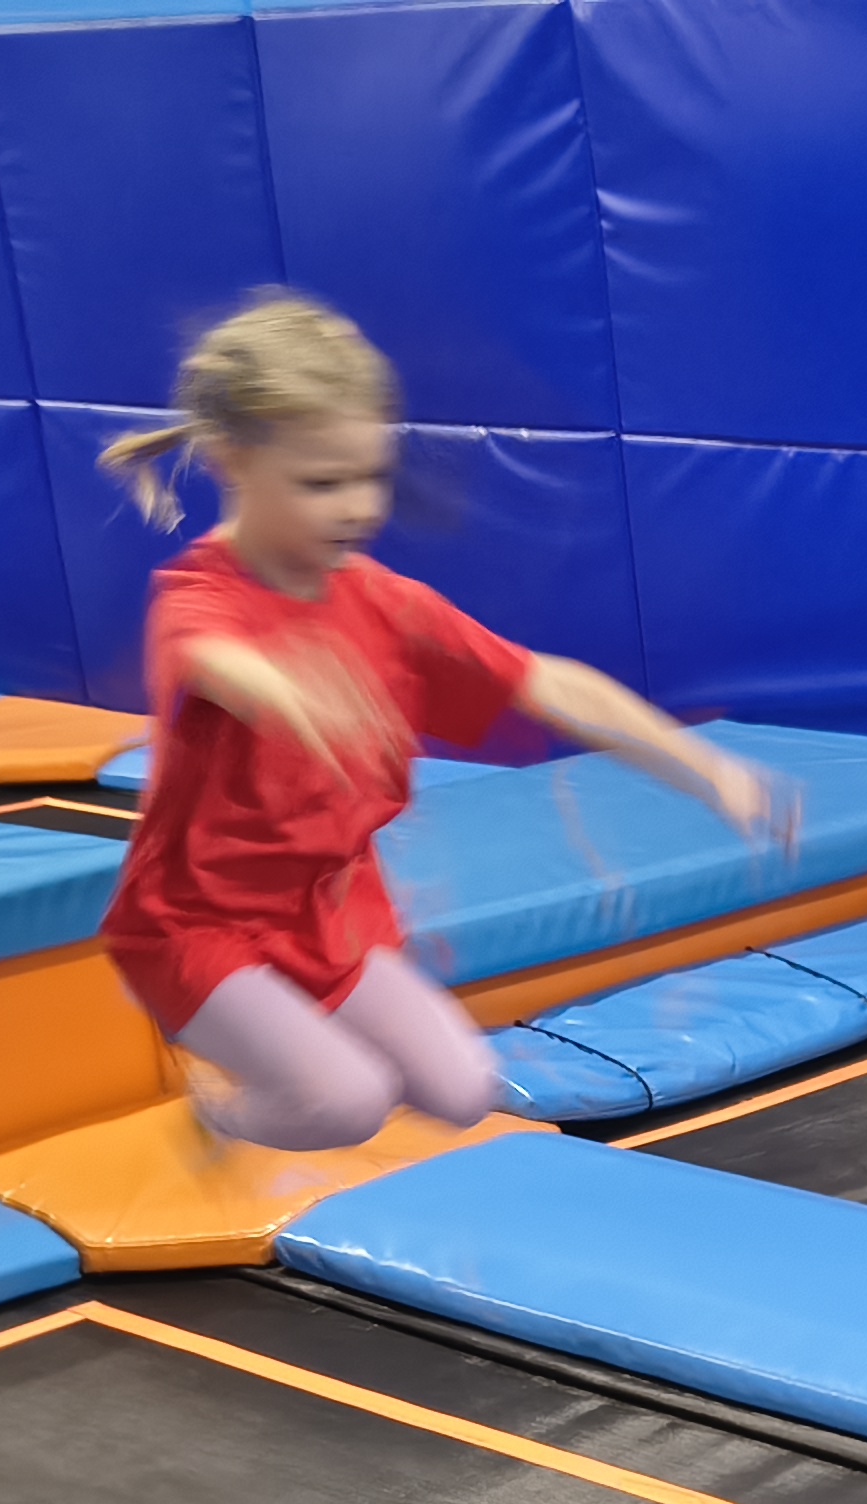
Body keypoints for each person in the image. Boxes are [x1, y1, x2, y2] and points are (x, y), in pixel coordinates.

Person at [95, 292, 782, 1153]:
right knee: (347, 1100)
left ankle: (279, 1056)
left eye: (370, 477)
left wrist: (701, 767)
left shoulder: (386, 603)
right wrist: (287, 692)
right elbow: (212, 662)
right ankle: (217, 1116)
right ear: (233, 459)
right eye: (322, 484)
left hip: (325, 912)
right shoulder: (198, 597)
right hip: (194, 924)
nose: (358, 508)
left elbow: (545, 682)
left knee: (462, 1088)